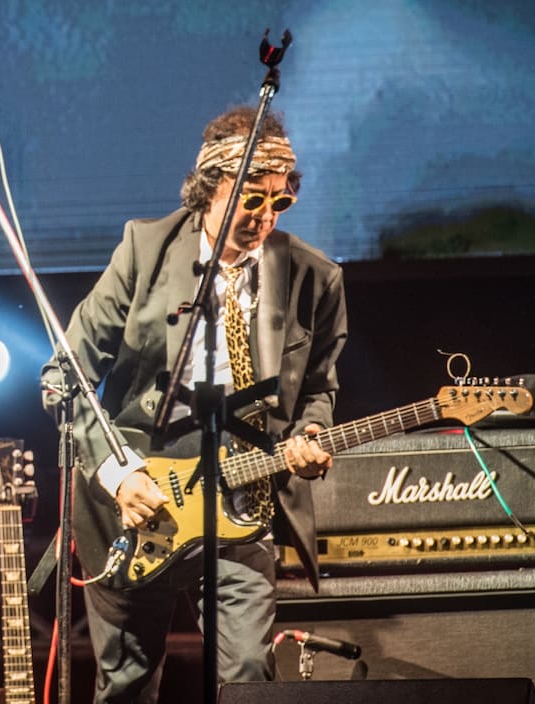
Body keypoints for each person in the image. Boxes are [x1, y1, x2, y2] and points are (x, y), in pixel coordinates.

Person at [42, 105, 348, 702]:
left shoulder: (314, 277)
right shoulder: (145, 249)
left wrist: (312, 432)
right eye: (251, 199)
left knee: (248, 680)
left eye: (280, 201)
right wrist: (118, 474)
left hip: (243, 505)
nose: (265, 216)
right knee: (127, 684)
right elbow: (64, 376)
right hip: (137, 506)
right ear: (211, 186)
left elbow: (318, 389)